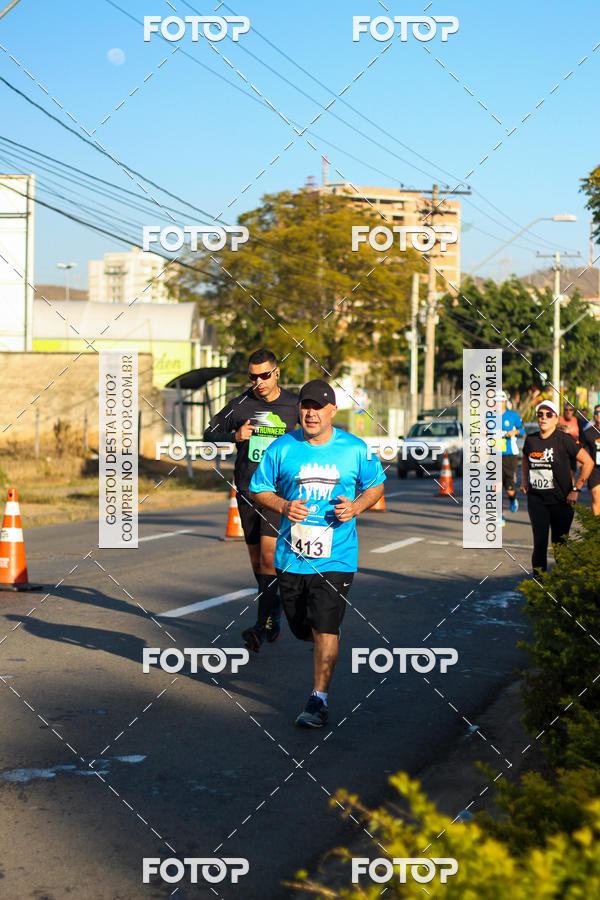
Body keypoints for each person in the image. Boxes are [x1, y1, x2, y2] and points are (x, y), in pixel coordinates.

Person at [249, 379, 385, 727]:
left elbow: (376, 485)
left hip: (336, 557)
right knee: (300, 628)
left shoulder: (355, 449)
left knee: (325, 628)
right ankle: (304, 624)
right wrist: (283, 505)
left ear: (332, 412)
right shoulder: (282, 447)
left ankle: (318, 701)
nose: (310, 413)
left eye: (318, 407)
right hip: (291, 557)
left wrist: (354, 507)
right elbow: (259, 488)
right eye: (305, 407)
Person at [204, 349, 299, 651]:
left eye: (264, 375)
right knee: (258, 562)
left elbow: (315, 434)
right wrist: (236, 437)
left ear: (277, 373)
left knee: (270, 557)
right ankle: (277, 606)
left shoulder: (294, 405)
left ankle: (261, 625)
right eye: (253, 376)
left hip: (278, 492)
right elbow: (208, 433)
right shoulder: (240, 405)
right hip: (246, 489)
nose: (259, 382)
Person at [521, 400, 593, 572]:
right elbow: (525, 459)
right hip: (537, 500)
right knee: (539, 544)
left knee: (559, 546)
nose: (543, 418)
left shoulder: (565, 440)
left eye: (548, 414)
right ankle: (539, 589)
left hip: (561, 501)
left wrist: (576, 489)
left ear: (555, 418)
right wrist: (524, 480)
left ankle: (561, 586)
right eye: (540, 414)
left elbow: (588, 462)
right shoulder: (531, 440)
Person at [500, 391, 525, 523]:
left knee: (509, 487)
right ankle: (497, 515)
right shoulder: (488, 416)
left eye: (500, 401)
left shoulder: (512, 415)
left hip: (509, 455)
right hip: (493, 455)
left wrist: (514, 432)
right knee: (494, 486)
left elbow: (523, 430)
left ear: (505, 402)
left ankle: (512, 499)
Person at [581, 404, 600, 515]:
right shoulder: (588, 433)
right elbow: (579, 449)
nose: (598, 415)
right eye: (596, 413)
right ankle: (597, 526)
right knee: (596, 494)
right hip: (595, 469)